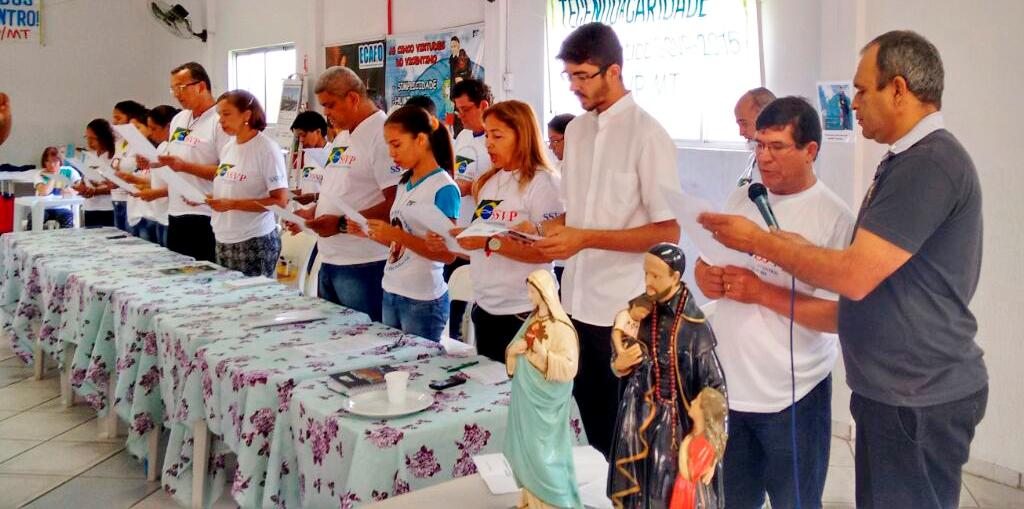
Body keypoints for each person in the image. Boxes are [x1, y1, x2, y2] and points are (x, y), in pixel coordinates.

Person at [698, 31, 988, 508]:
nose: (851, 103)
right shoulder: (903, 160)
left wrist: (762, 245)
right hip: (890, 390)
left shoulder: (930, 163)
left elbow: (854, 276)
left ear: (898, 89)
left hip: (917, 394)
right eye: (758, 146)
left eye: (861, 90)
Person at [695, 97, 855, 508]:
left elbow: (837, 316)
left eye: (777, 147)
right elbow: (704, 260)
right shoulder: (744, 197)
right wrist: (706, 278)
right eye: (759, 145)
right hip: (732, 391)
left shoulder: (835, 218)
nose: (763, 157)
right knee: (732, 501)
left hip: (793, 397)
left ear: (810, 151)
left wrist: (761, 292)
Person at [533, 22, 683, 458]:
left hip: (623, 313)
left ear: (613, 71)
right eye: (570, 77)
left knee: (628, 439)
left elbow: (668, 233)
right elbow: (576, 213)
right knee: (586, 431)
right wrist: (540, 232)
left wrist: (583, 238)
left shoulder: (648, 135)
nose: (575, 87)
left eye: (583, 76)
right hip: (575, 303)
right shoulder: (577, 132)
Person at [442, 100, 563, 363]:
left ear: (523, 135)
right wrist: (453, 239)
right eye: (486, 134)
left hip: (525, 312)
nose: (488, 143)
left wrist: (488, 243)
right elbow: (485, 236)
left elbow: (543, 253)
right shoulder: (488, 182)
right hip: (486, 307)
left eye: (497, 135)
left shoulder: (543, 183)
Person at [607, 243, 727, 509]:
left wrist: (710, 445)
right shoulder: (639, 313)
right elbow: (618, 356)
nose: (648, 282)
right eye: (646, 274)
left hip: (676, 425)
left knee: (665, 491)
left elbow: (716, 388)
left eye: (656, 276)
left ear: (675, 277)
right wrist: (620, 364)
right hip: (637, 419)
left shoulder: (694, 327)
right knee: (639, 494)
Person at [296, 66, 401, 322]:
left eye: (330, 105)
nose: (326, 114)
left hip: (364, 262)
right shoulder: (343, 136)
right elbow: (341, 188)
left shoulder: (382, 134)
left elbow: (397, 202)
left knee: (364, 348)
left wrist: (341, 224)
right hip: (330, 258)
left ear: (353, 98)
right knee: (333, 344)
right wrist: (315, 211)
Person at [356, 105, 459, 341]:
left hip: (421, 299)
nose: (392, 153)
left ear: (421, 139)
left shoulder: (443, 187)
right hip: (392, 289)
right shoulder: (404, 182)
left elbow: (447, 255)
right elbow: (401, 244)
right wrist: (373, 233)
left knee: (417, 372)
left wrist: (397, 235)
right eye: (388, 145)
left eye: (397, 144)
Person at [504, 269, 582, 509]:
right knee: (528, 450)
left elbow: (570, 368)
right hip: (527, 399)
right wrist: (513, 352)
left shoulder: (562, 328)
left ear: (544, 293)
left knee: (544, 454)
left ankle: (554, 502)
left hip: (546, 404)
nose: (528, 297)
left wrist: (543, 355)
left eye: (531, 292)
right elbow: (512, 352)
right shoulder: (532, 320)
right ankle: (532, 501)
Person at [205, 90, 288, 277]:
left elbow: (280, 201)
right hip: (223, 238)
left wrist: (233, 205)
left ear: (247, 114)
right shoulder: (228, 147)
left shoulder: (266, 149)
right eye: (219, 115)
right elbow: (230, 187)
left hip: (253, 240)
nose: (221, 121)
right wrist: (212, 199)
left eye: (226, 114)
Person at [152, 62, 229, 263]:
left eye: (181, 87)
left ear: (201, 86)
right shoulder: (178, 119)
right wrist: (155, 161)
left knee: (203, 278)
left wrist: (185, 166)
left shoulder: (220, 121)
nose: (177, 94)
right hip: (176, 211)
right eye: (173, 89)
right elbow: (175, 160)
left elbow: (227, 172)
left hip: (204, 213)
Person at [448, 78, 494, 341]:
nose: (460, 115)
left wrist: (469, 186)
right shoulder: (463, 136)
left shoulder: (494, 142)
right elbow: (456, 177)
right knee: (456, 314)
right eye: (457, 109)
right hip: (459, 233)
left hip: (483, 237)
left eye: (465, 109)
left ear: (483, 105)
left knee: (477, 314)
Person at [669, 387, 729, 509]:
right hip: (684, 491)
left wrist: (685, 445)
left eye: (696, 401)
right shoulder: (696, 435)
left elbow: (689, 474)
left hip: (690, 495)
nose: (692, 402)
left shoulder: (703, 443)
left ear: (704, 411)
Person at [131, 105, 179, 246]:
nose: (150, 134)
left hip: (170, 216)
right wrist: (137, 182)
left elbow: (183, 185)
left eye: (154, 128)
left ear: (168, 127)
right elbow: (159, 179)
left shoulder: (177, 149)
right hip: (159, 215)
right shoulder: (162, 146)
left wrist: (156, 193)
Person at [111, 100, 149, 233]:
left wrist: (118, 168)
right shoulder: (119, 142)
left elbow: (129, 166)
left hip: (139, 202)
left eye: (118, 118)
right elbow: (116, 165)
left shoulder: (143, 144)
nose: (114, 122)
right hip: (120, 197)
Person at [73, 119, 117, 227]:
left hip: (108, 208)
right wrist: (82, 188)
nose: (89, 143)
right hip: (90, 207)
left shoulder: (114, 156)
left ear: (104, 138)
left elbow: (118, 185)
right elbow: (85, 179)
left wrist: (96, 191)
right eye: (87, 138)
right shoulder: (89, 155)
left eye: (93, 139)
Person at [30, 146, 81, 229]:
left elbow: (81, 188)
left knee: (67, 216)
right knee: (33, 217)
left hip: (62, 207)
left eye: (55, 161)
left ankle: (66, 241)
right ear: (44, 162)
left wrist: (71, 190)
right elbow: (44, 192)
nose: (52, 164)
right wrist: (54, 176)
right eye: (48, 161)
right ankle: (32, 241)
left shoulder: (69, 171)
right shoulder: (39, 174)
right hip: (43, 208)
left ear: (60, 161)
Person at [733, 87, 776, 187]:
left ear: (766, 118)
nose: (741, 132)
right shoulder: (753, 158)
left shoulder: (785, 164)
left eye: (744, 123)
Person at [290, 111, 329, 205]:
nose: (301, 140)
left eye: (303, 135)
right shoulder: (308, 154)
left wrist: (314, 197)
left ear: (318, 132)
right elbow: (310, 187)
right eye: (298, 137)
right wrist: (291, 194)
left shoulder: (334, 154)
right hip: (304, 213)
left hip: (322, 213)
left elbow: (339, 193)